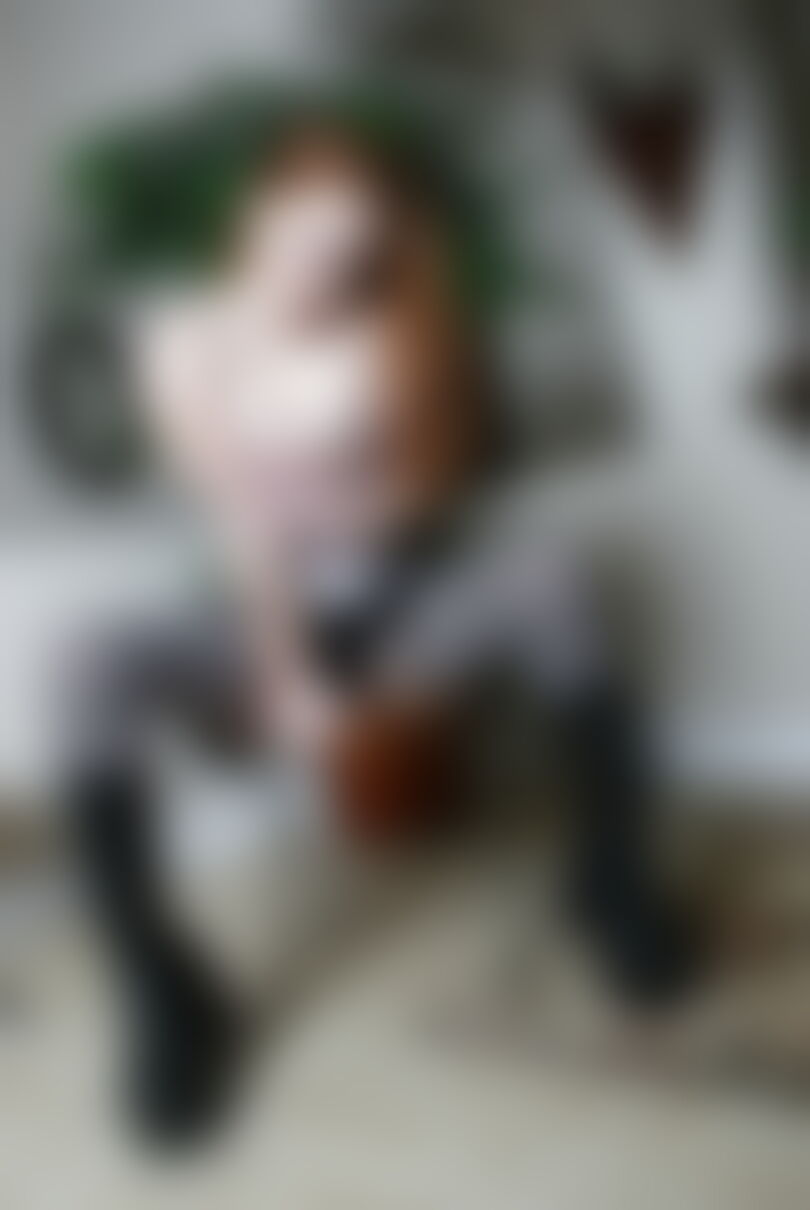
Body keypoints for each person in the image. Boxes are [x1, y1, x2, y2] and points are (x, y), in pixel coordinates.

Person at [64, 108, 695, 1144]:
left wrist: (347, 502)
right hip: (259, 619)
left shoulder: (402, 334)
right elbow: (242, 522)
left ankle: (611, 882)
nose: (323, 256)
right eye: (305, 221)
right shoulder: (184, 338)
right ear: (260, 211)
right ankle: (163, 987)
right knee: (86, 661)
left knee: (550, 579)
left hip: (397, 613)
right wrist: (286, 665)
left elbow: (418, 500)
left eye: (355, 238)